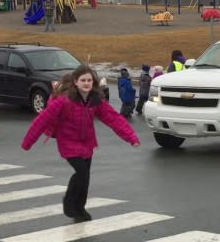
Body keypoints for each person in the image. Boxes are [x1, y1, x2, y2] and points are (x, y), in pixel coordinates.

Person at [22, 65, 140, 222]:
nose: (86, 83)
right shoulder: (63, 101)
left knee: (85, 177)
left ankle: (80, 208)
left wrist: (131, 137)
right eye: (83, 80)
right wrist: (28, 143)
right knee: (82, 173)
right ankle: (69, 203)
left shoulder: (95, 100)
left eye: (89, 80)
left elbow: (114, 119)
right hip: (68, 142)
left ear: (93, 82)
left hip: (87, 142)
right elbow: (42, 120)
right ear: (75, 82)